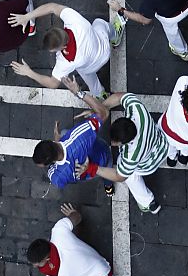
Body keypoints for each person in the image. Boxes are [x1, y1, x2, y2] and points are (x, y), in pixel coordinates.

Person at [66, 84, 166, 213]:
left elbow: (119, 176)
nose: (111, 143)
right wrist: (99, 110)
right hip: (161, 140)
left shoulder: (130, 156)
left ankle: (148, 203)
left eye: (114, 142)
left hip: (149, 162)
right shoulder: (137, 109)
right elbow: (120, 97)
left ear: (123, 143)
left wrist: (91, 168)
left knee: (131, 176)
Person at [9, 0, 123, 96]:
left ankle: (99, 94)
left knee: (84, 71)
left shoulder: (65, 61)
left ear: (62, 47)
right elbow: (52, 7)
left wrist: (29, 72)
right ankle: (116, 37)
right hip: (103, 48)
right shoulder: (74, 21)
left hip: (90, 66)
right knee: (99, 23)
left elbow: (53, 84)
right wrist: (26, 16)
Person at [32, 115, 112, 192]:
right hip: (102, 152)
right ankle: (108, 185)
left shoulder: (57, 178)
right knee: (64, 132)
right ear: (51, 142)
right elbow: (103, 114)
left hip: (89, 172)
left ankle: (108, 185)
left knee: (100, 173)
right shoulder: (81, 135)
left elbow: (56, 177)